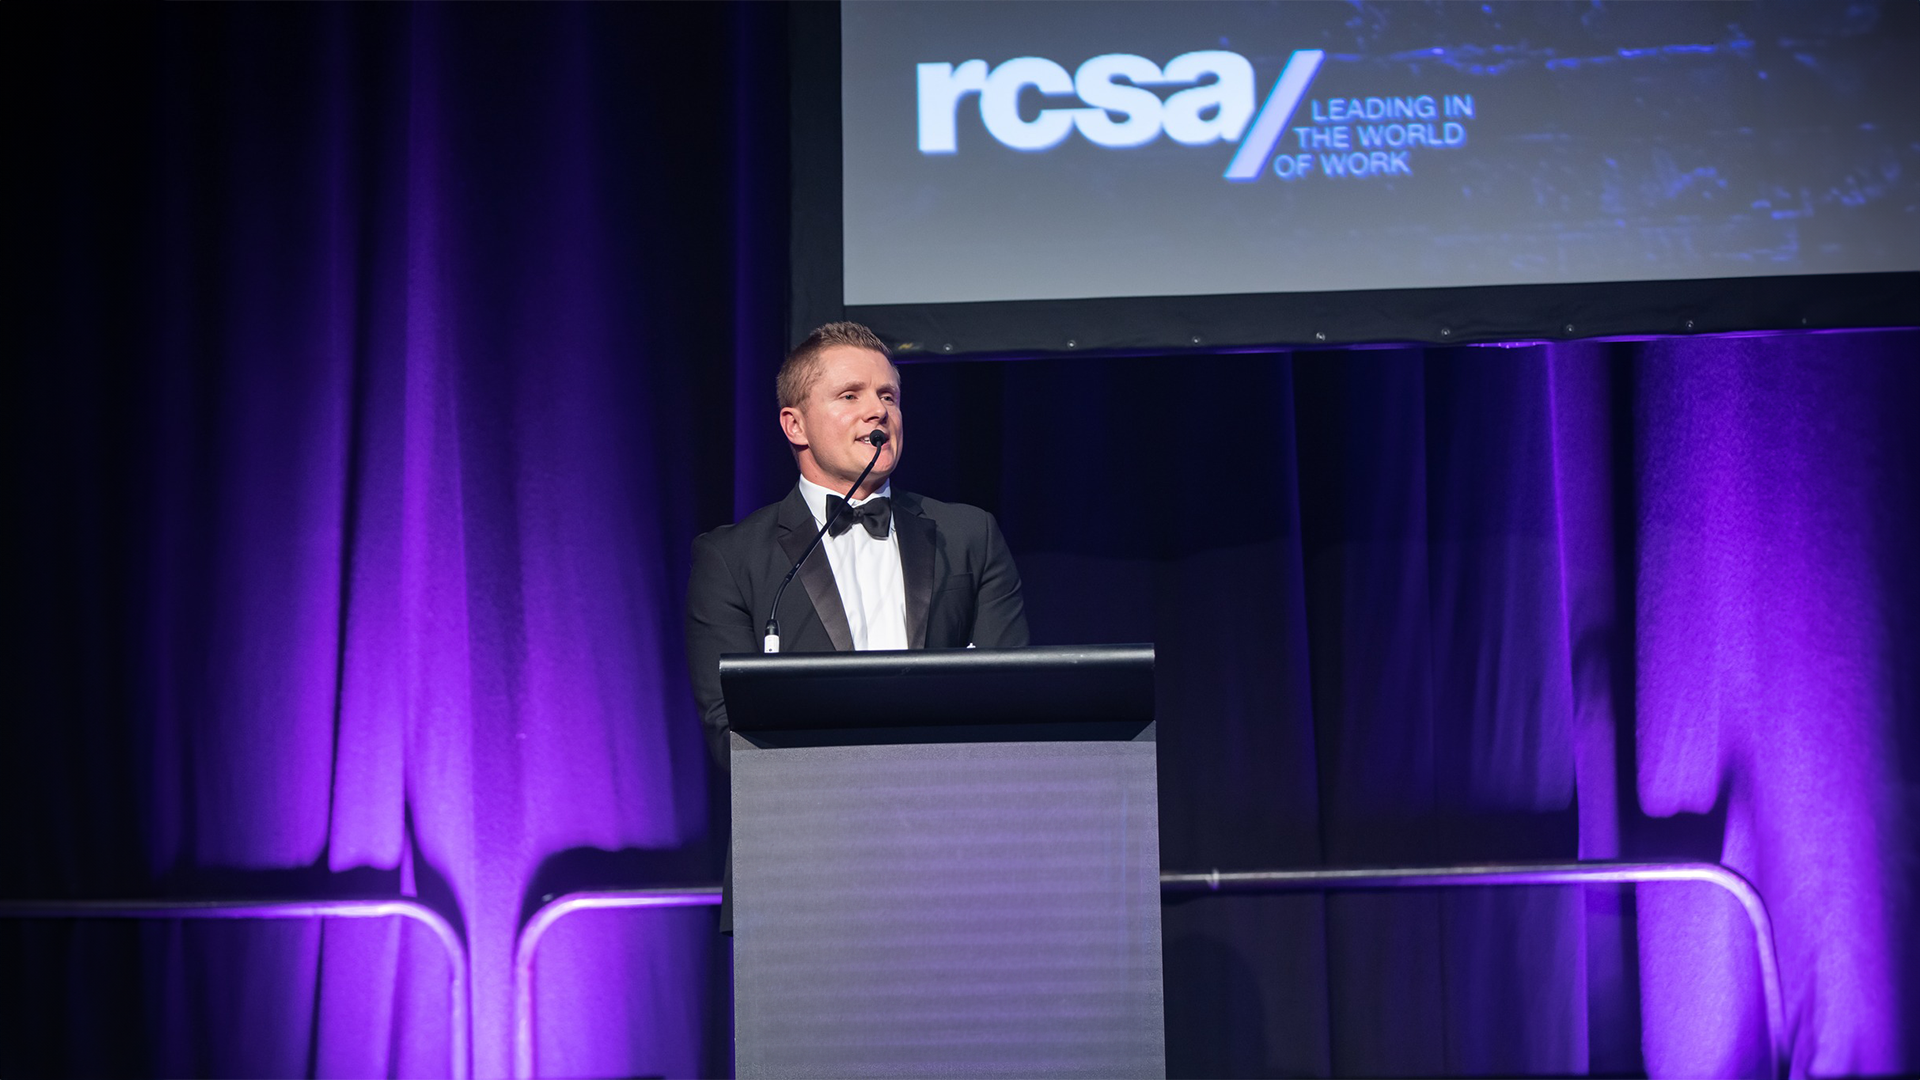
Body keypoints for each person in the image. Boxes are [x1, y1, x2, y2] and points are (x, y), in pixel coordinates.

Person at [684, 321, 1030, 769]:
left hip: (947, 807)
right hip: (805, 823)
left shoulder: (968, 534)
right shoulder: (731, 558)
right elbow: (728, 729)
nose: (878, 411)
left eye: (888, 396)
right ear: (795, 425)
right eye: (851, 395)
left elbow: (1012, 697)